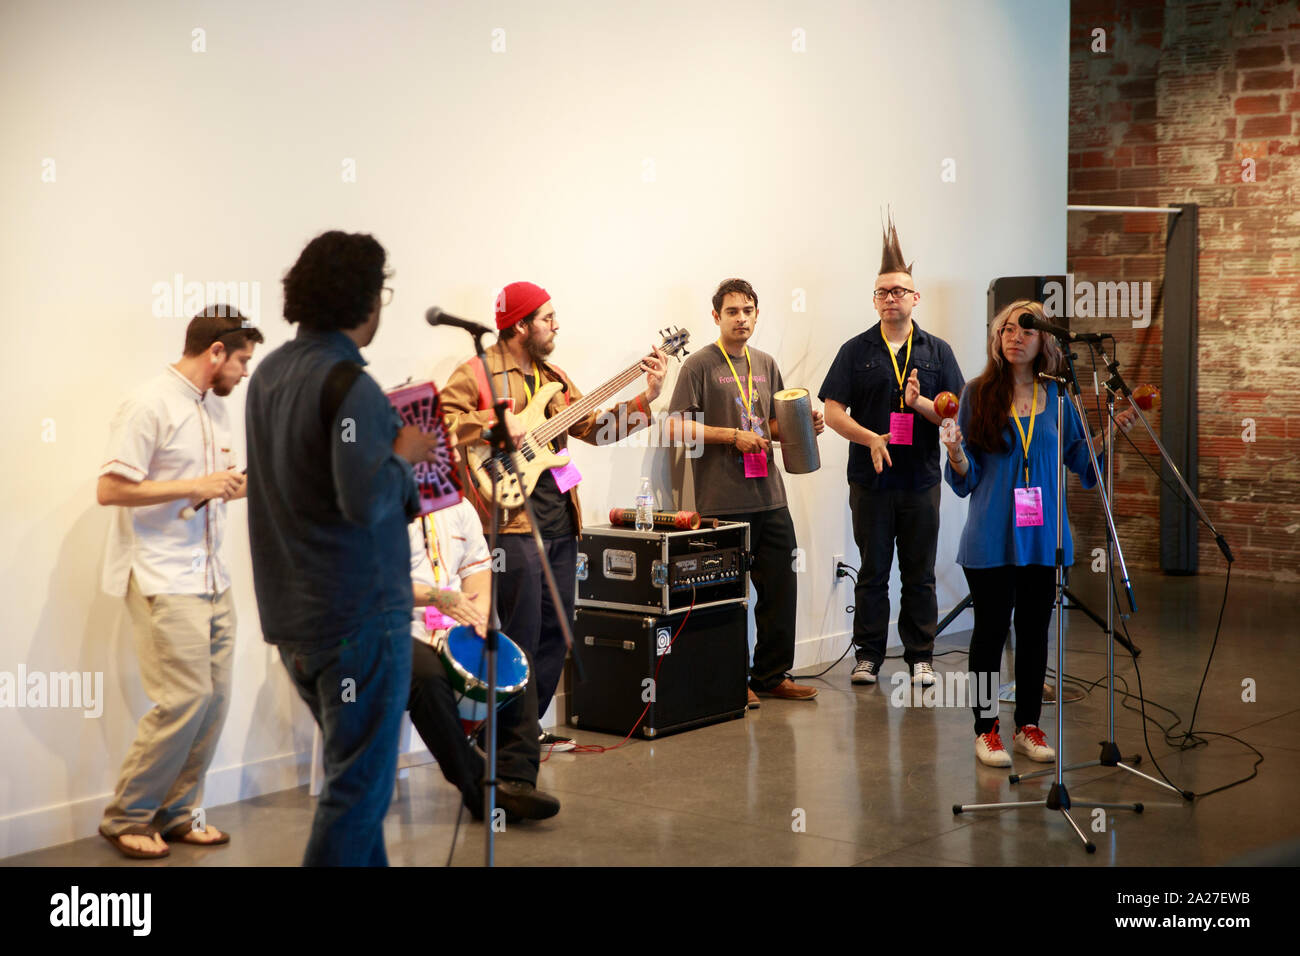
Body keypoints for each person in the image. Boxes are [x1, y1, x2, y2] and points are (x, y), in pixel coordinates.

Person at [245, 231, 443, 866]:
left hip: (294, 618)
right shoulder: (350, 383)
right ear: (365, 299)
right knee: (357, 794)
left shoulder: (268, 375)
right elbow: (364, 499)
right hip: (356, 615)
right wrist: (405, 457)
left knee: (354, 781)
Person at [439, 281, 667, 752]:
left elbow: (597, 429)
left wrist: (648, 397)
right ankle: (497, 735)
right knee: (517, 634)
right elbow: (439, 426)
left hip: (561, 521)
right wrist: (491, 421)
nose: (557, 324)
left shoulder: (555, 379)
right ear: (520, 325)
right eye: (547, 317)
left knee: (557, 633)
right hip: (510, 524)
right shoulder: (476, 374)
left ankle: (525, 729)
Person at [96, 306, 263, 859]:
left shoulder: (215, 411)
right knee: (184, 699)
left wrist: (244, 484)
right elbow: (112, 490)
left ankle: (176, 814)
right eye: (241, 361)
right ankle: (126, 817)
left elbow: (210, 489)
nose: (243, 373)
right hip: (162, 575)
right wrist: (197, 483)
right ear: (215, 351)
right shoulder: (148, 403)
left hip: (214, 575)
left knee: (214, 701)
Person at [943, 299, 1135, 767]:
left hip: (1044, 536)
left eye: (1026, 330)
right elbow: (966, 479)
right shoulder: (976, 393)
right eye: (1007, 329)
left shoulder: (1061, 397)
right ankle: (986, 729)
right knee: (989, 634)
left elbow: (1079, 462)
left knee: (1034, 633)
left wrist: (1108, 434)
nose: (1015, 337)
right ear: (997, 338)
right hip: (990, 535)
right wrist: (953, 451)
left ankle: (1028, 725)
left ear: (1044, 340)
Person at [819, 215, 964, 688]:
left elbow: (952, 415)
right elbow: (833, 410)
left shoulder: (937, 351)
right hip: (871, 480)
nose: (890, 298)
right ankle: (868, 657)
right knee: (873, 572)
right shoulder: (855, 349)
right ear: (875, 300)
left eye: (899, 291)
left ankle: (920, 655)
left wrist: (920, 403)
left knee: (919, 573)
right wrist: (870, 437)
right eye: (882, 292)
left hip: (920, 480)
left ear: (915, 297)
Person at [667, 278, 824, 707]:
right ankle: (732, 680)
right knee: (726, 596)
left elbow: (772, 427)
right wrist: (730, 435)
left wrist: (803, 426)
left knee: (780, 590)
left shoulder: (766, 363)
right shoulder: (698, 365)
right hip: (722, 500)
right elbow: (677, 426)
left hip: (770, 496)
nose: (741, 318)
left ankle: (772, 675)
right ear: (716, 316)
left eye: (748, 310)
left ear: (757, 314)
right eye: (732, 311)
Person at [406, 499, 560, 821]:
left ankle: (515, 781)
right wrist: (440, 598)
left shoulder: (459, 506)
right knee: (428, 675)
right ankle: (479, 788)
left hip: (452, 625)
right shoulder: (378, 499)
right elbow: (373, 584)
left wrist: (478, 618)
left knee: (518, 662)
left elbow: (477, 570)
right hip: (396, 627)